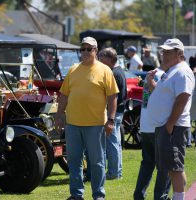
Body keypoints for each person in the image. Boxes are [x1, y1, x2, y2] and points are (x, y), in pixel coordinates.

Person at [55, 36, 119, 200]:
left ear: (95, 51)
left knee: (97, 163)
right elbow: (64, 95)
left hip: (96, 125)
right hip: (73, 124)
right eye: (82, 49)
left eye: (88, 49)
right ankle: (76, 195)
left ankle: (98, 195)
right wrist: (59, 115)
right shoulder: (73, 69)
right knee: (74, 162)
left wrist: (111, 120)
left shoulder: (105, 70)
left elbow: (112, 97)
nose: (84, 52)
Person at [147, 38, 195, 200]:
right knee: (172, 167)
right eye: (163, 52)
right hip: (167, 126)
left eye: (168, 52)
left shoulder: (182, 71)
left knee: (175, 168)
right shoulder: (172, 70)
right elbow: (163, 95)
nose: (164, 55)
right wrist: (151, 83)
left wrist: (170, 124)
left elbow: (183, 97)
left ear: (179, 54)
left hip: (173, 127)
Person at [133, 68, 171, 200]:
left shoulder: (153, 74)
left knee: (147, 163)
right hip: (158, 126)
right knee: (164, 165)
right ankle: (161, 197)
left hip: (146, 125)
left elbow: (147, 101)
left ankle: (138, 195)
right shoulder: (164, 76)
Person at [98, 48, 127, 180]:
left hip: (113, 112)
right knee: (116, 143)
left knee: (112, 143)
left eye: (102, 59)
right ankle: (118, 171)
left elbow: (112, 95)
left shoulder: (113, 73)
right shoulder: (119, 70)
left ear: (110, 59)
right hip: (119, 111)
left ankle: (113, 173)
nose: (100, 61)